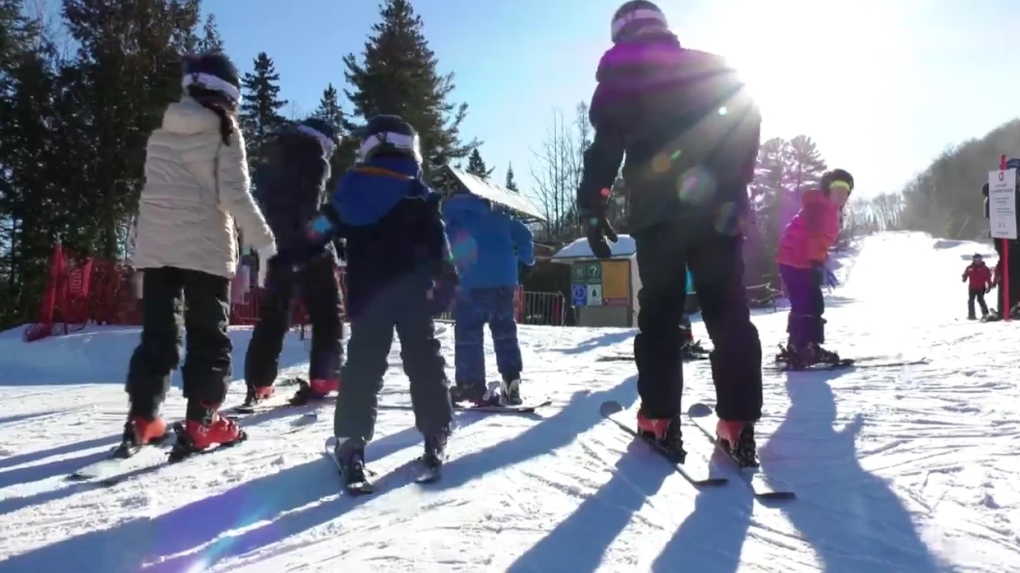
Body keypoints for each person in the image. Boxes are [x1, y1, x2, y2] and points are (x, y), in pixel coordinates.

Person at [576, 0, 763, 466]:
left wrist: (594, 209)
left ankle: (659, 420)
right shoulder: (711, 66)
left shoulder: (621, 79)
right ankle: (737, 426)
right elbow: (748, 115)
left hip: (659, 217)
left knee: (660, 315)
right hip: (719, 212)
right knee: (729, 313)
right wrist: (735, 178)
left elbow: (606, 149)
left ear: (620, 35)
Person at [123, 52, 276, 455]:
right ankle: (203, 422)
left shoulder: (162, 133)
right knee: (209, 336)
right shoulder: (225, 131)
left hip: (157, 250)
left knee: (159, 334)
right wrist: (263, 240)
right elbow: (235, 195)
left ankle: (144, 417)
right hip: (206, 249)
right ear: (229, 93)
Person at [298, 115, 457, 483]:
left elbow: (322, 226)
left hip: (370, 297)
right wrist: (447, 277)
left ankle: (352, 440)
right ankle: (436, 430)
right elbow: (439, 242)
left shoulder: (354, 188)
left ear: (372, 145)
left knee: (364, 366)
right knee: (423, 359)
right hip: (414, 296)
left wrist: (300, 248)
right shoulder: (419, 193)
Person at [241, 118, 344, 407]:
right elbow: (310, 208)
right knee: (327, 313)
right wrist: (328, 230)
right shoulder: (315, 158)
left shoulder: (274, 155)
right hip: (308, 249)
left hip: (276, 247)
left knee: (273, 317)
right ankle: (325, 376)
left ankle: (259, 383)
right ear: (326, 141)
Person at [443, 194, 535, 406]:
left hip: (471, 284)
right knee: (505, 331)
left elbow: (446, 251)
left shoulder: (455, 222)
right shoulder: (500, 219)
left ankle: (470, 385)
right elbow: (524, 234)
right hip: (504, 282)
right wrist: (525, 259)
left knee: (469, 334)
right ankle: (511, 383)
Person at [775, 169, 854, 364]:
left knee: (802, 302)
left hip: (793, 260)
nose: (842, 193)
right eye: (837, 188)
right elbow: (813, 237)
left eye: (846, 190)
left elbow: (818, 240)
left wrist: (822, 259)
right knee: (812, 302)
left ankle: (796, 345)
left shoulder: (826, 208)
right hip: (798, 261)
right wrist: (816, 263)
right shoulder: (820, 207)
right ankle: (807, 346)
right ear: (827, 188)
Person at [962, 253, 992, 320]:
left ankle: (985, 313)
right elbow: (966, 274)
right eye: (976, 259)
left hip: (981, 287)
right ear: (973, 260)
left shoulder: (984, 268)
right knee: (971, 300)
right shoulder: (970, 268)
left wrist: (989, 286)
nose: (978, 261)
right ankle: (971, 315)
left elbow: (988, 278)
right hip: (972, 287)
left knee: (980, 300)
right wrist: (964, 277)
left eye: (979, 259)